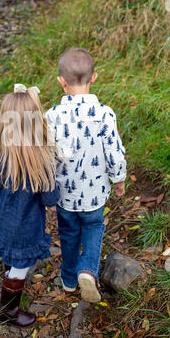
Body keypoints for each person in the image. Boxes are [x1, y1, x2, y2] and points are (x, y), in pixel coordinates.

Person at [45, 47, 126, 303]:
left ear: (61, 81)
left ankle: (69, 279)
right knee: (93, 227)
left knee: (68, 233)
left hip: (65, 194)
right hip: (94, 193)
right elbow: (114, 150)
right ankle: (88, 270)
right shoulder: (104, 114)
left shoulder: (52, 116)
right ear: (94, 78)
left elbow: (47, 155)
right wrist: (119, 177)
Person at [0, 84, 59, 328]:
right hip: (25, 230)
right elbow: (50, 200)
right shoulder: (42, 161)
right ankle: (8, 312)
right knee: (20, 267)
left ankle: (8, 273)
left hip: (1, 222)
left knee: (11, 258)